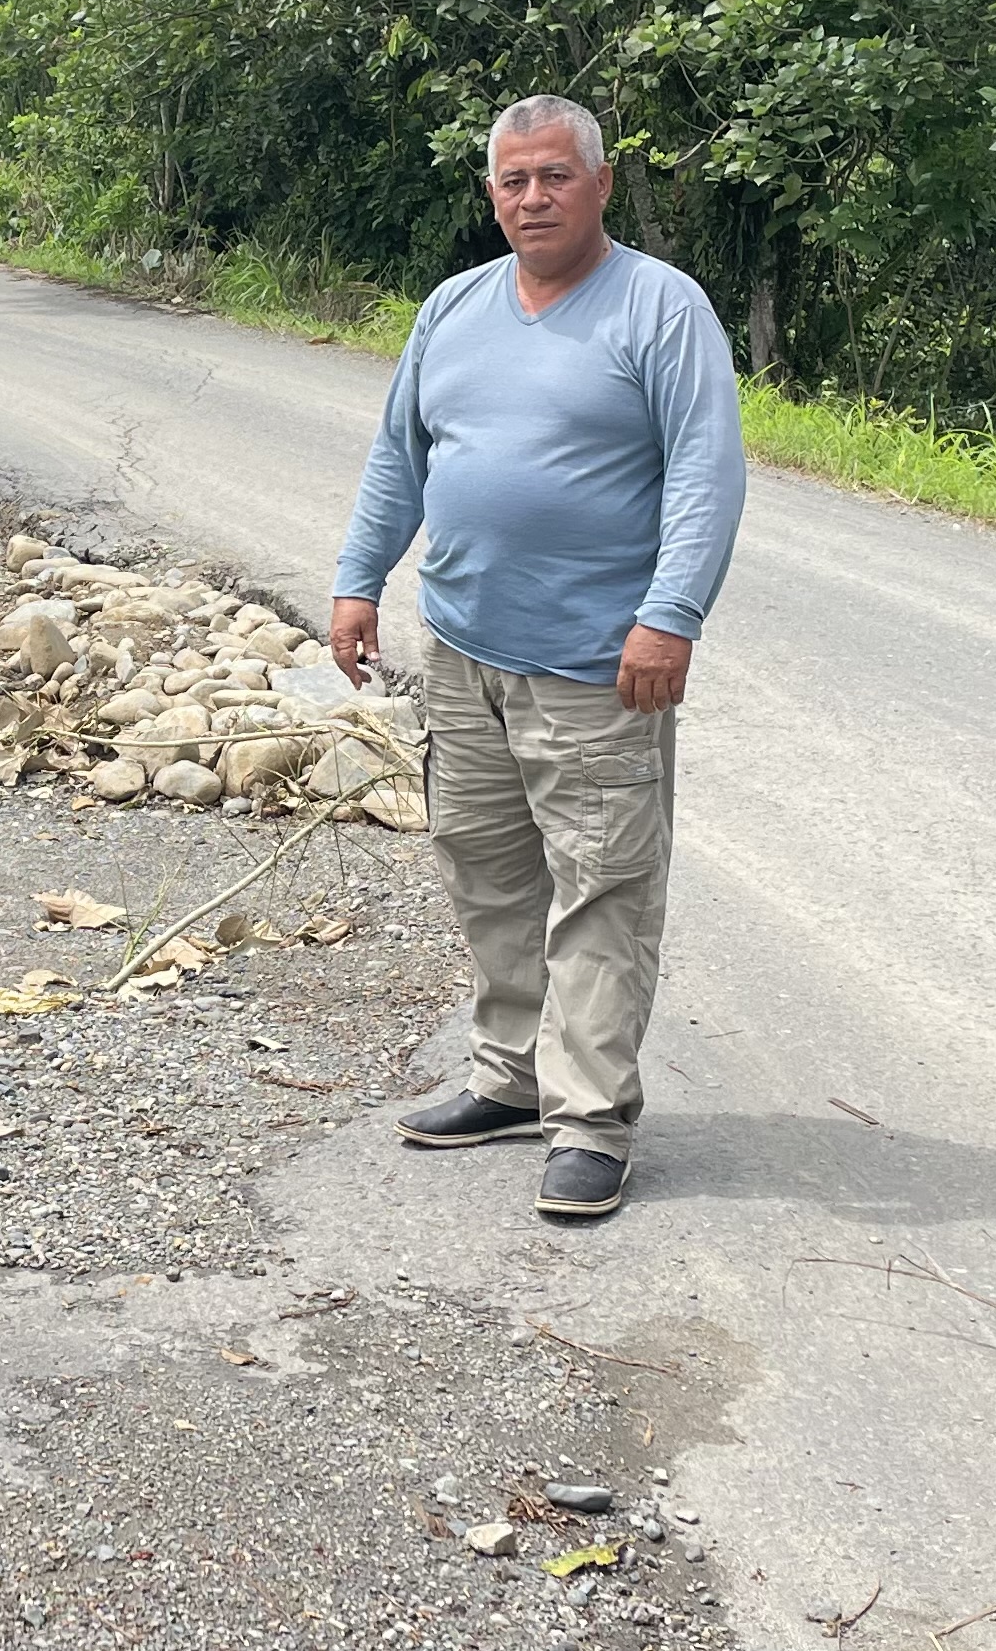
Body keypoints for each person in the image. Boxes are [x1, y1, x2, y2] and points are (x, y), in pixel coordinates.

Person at [328, 96, 746, 1222]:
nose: (534, 198)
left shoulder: (661, 307)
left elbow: (707, 472)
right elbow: (401, 457)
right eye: (514, 181)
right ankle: (511, 1080)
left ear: (600, 185)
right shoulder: (454, 307)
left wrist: (672, 616)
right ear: (492, 194)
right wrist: (360, 579)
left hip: (598, 666)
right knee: (487, 870)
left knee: (603, 889)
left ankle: (592, 1120)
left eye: (556, 176)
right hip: (464, 651)